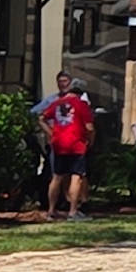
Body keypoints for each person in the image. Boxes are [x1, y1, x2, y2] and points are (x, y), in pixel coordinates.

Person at [35, 80, 98, 220]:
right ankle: (73, 211)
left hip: (59, 145)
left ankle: (51, 211)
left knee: (57, 177)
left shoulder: (57, 103)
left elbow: (41, 118)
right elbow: (90, 128)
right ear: (80, 94)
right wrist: (90, 142)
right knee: (77, 177)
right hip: (77, 145)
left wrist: (51, 133)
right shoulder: (82, 106)